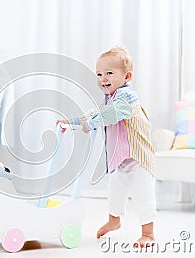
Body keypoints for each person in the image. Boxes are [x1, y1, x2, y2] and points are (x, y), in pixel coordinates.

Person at [56, 46, 156, 247]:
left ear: (127, 76)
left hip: (139, 159)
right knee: (114, 192)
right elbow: (95, 114)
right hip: (120, 159)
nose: (103, 78)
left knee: (142, 196)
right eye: (99, 74)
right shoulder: (110, 98)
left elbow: (112, 115)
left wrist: (91, 124)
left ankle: (148, 234)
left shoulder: (127, 97)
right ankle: (114, 220)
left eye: (109, 73)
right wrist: (73, 122)